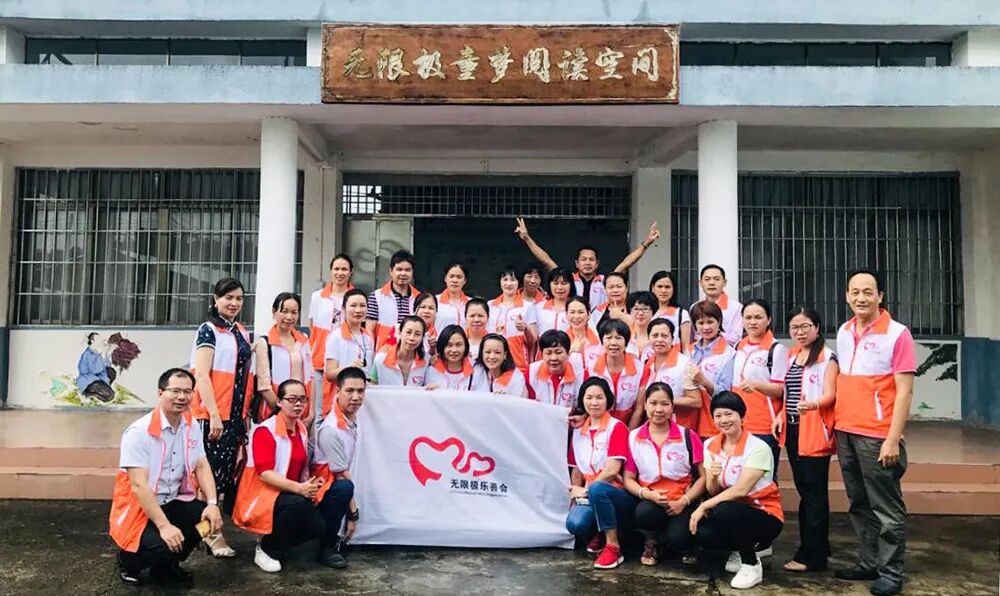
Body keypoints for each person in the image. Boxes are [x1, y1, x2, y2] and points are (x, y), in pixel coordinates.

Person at [832, 270, 915, 596]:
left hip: (877, 436)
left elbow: (905, 392)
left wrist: (893, 439)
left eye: (868, 292)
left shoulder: (897, 334)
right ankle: (869, 562)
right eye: (855, 292)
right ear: (846, 296)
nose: (861, 298)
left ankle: (891, 573)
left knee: (886, 508)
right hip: (846, 431)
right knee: (859, 503)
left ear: (880, 296)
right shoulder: (844, 331)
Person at [110, 368, 224, 586]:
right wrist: (164, 527)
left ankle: (166, 566)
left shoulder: (190, 425)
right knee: (161, 545)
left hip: (173, 500)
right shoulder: (138, 432)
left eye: (187, 392)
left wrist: (212, 503)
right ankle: (128, 560)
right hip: (141, 509)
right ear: (160, 393)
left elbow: (201, 465)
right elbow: (139, 486)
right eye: (175, 391)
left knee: (208, 521)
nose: (182, 397)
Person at [690, 391, 784, 590]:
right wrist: (713, 478)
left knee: (726, 509)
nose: (724, 420)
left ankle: (751, 564)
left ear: (741, 416)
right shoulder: (710, 445)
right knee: (705, 534)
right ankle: (741, 548)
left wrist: (703, 506)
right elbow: (713, 491)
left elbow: (740, 490)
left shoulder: (758, 448)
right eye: (718, 415)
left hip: (764, 514)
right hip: (730, 510)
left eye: (729, 414)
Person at [233, 380, 328, 573]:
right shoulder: (265, 431)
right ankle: (267, 549)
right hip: (264, 494)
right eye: (292, 399)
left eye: (302, 399)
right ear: (279, 402)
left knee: (318, 526)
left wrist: (311, 484)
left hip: (290, 492)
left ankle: (277, 539)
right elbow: (265, 474)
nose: (298, 404)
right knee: (297, 505)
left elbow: (301, 468)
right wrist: (300, 489)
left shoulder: (301, 429)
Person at [189, 277, 252, 557]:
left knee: (224, 475)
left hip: (234, 415)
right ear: (215, 300)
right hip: (213, 414)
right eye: (228, 297)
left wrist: (243, 414)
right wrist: (214, 414)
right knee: (208, 476)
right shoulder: (209, 330)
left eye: (239, 298)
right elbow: (202, 375)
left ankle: (203, 531)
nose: (234, 303)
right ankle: (212, 535)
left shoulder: (240, 331)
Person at [780, 306, 838, 573]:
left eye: (805, 326)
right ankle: (819, 547)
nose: (800, 332)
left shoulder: (827, 358)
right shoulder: (793, 355)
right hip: (793, 429)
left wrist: (813, 404)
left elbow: (830, 394)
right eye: (795, 327)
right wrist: (781, 415)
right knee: (805, 488)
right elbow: (787, 392)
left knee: (813, 494)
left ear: (817, 328)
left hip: (813, 429)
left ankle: (812, 557)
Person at [623, 383, 706, 567]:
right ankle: (653, 541)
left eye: (665, 404)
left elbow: (703, 476)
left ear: (672, 406)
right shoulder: (634, 437)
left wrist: (684, 501)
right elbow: (628, 478)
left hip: (684, 499)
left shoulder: (687, 436)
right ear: (645, 405)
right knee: (643, 513)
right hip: (652, 499)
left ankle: (685, 544)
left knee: (679, 537)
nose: (658, 409)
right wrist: (647, 494)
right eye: (653, 403)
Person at [514, 217, 661, 310]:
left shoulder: (605, 281)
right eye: (583, 259)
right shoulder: (568, 280)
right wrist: (527, 238)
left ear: (597, 263)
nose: (587, 263)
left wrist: (646, 243)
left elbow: (625, 264)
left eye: (591, 259)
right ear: (577, 263)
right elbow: (546, 261)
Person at [566, 377, 636, 570]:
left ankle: (613, 546)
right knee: (575, 524)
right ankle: (598, 531)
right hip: (590, 492)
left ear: (608, 400)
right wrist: (576, 494)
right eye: (589, 398)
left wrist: (586, 491)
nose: (594, 402)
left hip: (615, 492)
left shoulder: (616, 427)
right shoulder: (578, 430)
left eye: (599, 397)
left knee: (597, 488)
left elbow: (612, 470)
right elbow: (577, 468)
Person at [312, 367, 366, 569]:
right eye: (349, 391)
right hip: (324, 492)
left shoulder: (358, 418)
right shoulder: (330, 430)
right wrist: (353, 514)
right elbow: (341, 475)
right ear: (337, 391)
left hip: (345, 482)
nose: (355, 397)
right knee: (344, 489)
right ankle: (327, 546)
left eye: (360, 391)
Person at [731, 298, 789, 474]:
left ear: (768, 319)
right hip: (739, 424)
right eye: (748, 317)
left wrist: (757, 385)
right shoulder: (738, 346)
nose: (752, 322)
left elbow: (780, 390)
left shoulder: (776, 349)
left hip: (764, 425)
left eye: (758, 317)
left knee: (764, 477)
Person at [254, 292, 313, 427]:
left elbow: (311, 377)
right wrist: (285, 413)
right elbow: (264, 386)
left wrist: (311, 413)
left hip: (302, 414)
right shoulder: (265, 343)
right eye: (284, 311)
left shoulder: (304, 340)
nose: (289, 317)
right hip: (274, 413)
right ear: (274, 312)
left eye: (294, 312)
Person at [687, 300, 736, 439]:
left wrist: (703, 381)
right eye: (701, 323)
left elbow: (726, 392)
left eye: (710, 322)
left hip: (712, 423)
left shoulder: (728, 354)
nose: (706, 327)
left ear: (719, 321)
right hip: (689, 420)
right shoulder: (689, 350)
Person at [323, 288, 373, 419]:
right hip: (341, 400)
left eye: (362, 306)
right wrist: (349, 369)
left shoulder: (368, 337)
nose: (358, 310)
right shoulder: (336, 337)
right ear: (344, 309)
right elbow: (329, 373)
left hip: (363, 400)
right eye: (353, 305)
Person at [642, 318, 701, 430]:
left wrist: (664, 401)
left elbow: (696, 401)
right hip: (654, 427)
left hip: (680, 428)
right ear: (649, 338)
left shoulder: (684, 364)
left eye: (664, 336)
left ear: (672, 339)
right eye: (655, 336)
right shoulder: (647, 364)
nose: (659, 340)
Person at [308, 254, 355, 394]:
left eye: (344, 269)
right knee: (319, 402)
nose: (340, 273)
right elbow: (312, 325)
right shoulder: (317, 297)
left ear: (350, 272)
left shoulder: (355, 297)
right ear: (331, 271)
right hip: (319, 358)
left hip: (346, 359)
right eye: (336, 269)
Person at [587, 319, 646, 428]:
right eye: (608, 338)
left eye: (618, 338)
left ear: (626, 342)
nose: (613, 343)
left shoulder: (641, 369)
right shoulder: (590, 368)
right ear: (602, 341)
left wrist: (628, 433)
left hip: (629, 425)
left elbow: (639, 408)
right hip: (599, 425)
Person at [489, 266, 539, 375]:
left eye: (512, 280)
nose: (508, 284)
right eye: (505, 279)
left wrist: (526, 328)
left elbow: (533, 341)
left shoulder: (527, 306)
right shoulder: (490, 305)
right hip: (493, 363)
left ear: (519, 282)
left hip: (518, 364)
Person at [367, 249, 420, 351]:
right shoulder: (376, 296)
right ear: (391, 271)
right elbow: (369, 331)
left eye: (407, 270)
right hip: (383, 353)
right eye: (399, 269)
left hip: (410, 354)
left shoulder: (419, 298)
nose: (403, 273)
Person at [527, 329, 586, 409]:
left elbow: (583, 408)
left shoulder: (581, 375)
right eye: (548, 353)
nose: (553, 358)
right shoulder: (531, 372)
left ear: (568, 353)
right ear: (542, 354)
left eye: (558, 352)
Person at [369, 316, 429, 387]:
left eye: (417, 334)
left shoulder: (427, 361)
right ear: (400, 332)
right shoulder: (380, 359)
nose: (412, 338)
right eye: (408, 332)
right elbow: (372, 385)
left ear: (422, 337)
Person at [693, 264, 743, 346]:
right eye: (707, 279)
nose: (712, 283)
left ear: (724, 283)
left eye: (716, 279)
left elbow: (735, 337)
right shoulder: (695, 307)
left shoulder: (736, 307)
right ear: (701, 283)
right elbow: (693, 336)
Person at [649, 270, 692, 351]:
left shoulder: (681, 314)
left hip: (674, 357)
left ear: (673, 289)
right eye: (660, 286)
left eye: (667, 287)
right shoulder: (645, 312)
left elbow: (685, 347)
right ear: (653, 288)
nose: (663, 291)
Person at [426, 325, 474, 391]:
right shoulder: (432, 370)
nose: (454, 350)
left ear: (466, 346)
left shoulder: (476, 369)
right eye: (449, 345)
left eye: (458, 345)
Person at [535, 267, 575, 336]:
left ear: (571, 285)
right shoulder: (538, 308)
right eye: (555, 283)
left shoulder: (578, 307)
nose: (560, 287)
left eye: (564, 283)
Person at [77, 332, 115, 402]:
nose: (101, 342)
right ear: (92, 341)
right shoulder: (87, 354)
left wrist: (106, 354)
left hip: (99, 378)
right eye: (98, 340)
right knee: (110, 395)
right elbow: (95, 370)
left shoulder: (97, 352)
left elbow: (107, 366)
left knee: (111, 371)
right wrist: (101, 355)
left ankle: (102, 389)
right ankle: (88, 393)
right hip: (89, 381)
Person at [566, 296, 601, 364]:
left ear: (588, 315)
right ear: (566, 315)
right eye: (572, 312)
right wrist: (570, 351)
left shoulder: (599, 341)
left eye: (581, 312)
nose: (576, 316)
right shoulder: (560, 341)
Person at [436, 261, 470, 330]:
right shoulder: (435, 301)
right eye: (451, 276)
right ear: (445, 279)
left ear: (465, 281)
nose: (455, 280)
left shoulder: (471, 303)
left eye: (459, 277)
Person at [626, 291, 657, 362]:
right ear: (629, 312)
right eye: (636, 309)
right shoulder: (623, 336)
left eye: (645, 309)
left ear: (653, 312)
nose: (640, 313)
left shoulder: (658, 337)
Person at [413, 292, 440, 359]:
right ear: (414, 310)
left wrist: (432, 349)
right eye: (423, 307)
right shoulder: (401, 330)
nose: (426, 311)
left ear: (436, 312)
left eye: (431, 308)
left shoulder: (439, 337)